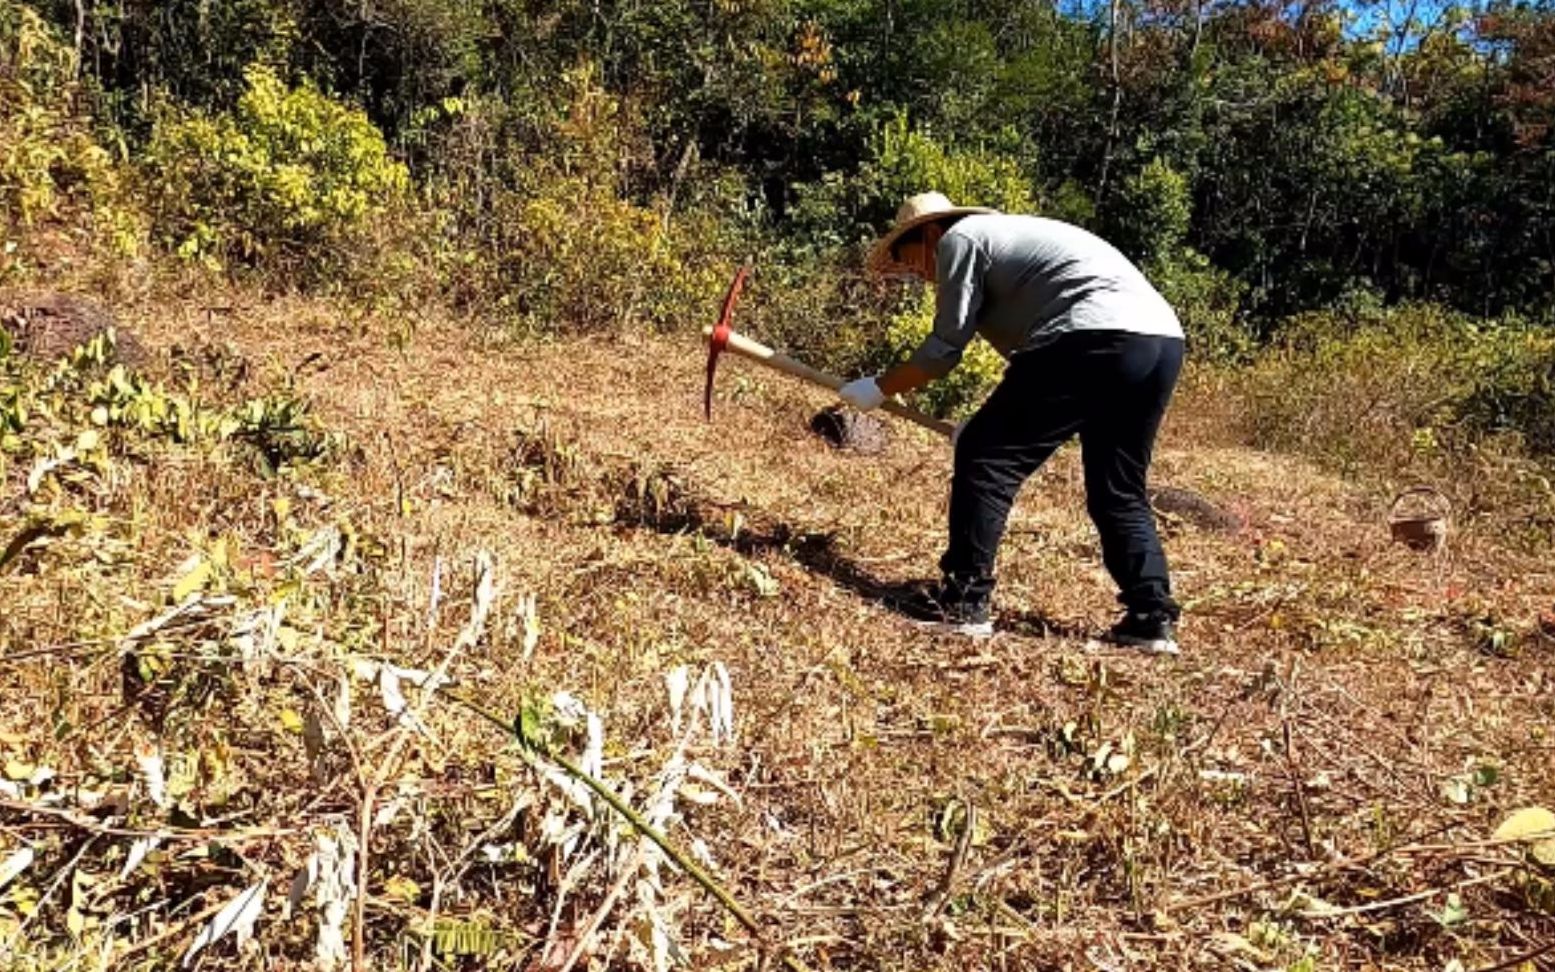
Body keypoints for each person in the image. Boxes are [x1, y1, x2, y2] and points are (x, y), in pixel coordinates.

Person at [839, 192, 1185, 654]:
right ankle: (1151, 617)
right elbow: (1036, 377)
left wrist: (881, 386)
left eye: (912, 262)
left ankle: (963, 602)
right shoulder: (1013, 244)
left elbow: (943, 350)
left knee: (985, 459)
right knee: (1118, 487)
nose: (920, 275)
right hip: (1160, 341)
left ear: (927, 235)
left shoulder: (958, 240)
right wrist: (990, 424)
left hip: (1094, 334)